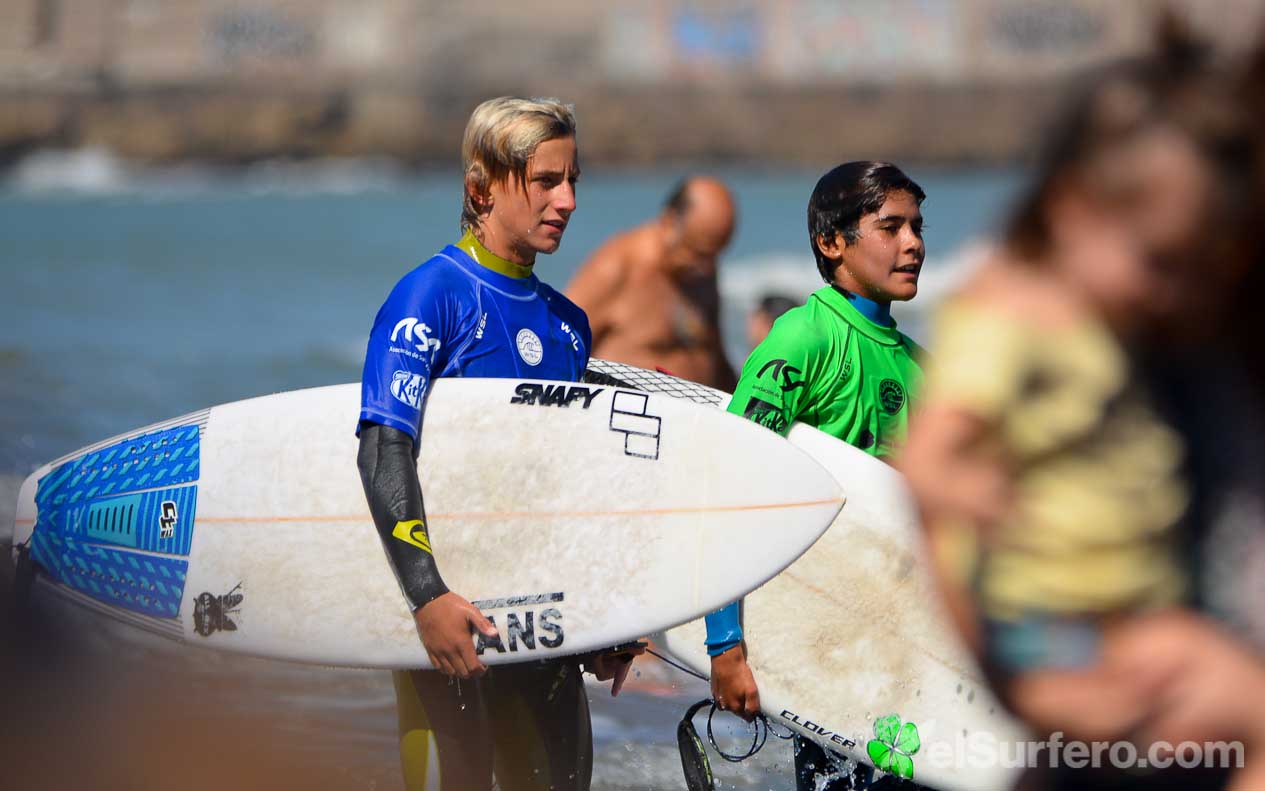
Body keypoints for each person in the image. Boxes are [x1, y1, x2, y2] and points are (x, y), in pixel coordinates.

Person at [898, 22, 1265, 790]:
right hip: (1075, 650)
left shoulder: (1133, 324)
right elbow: (936, 463)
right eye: (1164, 262)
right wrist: (1020, 676)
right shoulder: (1040, 323)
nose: (1175, 289)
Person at [356, 96, 638, 791]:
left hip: (545, 628)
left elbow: (567, 483)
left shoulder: (569, 325)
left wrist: (603, 618)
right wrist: (427, 598)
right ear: (483, 186)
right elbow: (383, 449)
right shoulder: (432, 296)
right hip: (451, 622)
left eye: (573, 179)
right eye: (546, 180)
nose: (567, 199)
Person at [705, 161, 927, 789]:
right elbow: (731, 488)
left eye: (917, 226)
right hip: (827, 639)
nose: (912, 243)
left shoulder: (923, 367)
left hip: (905, 645)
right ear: (833, 243)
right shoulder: (803, 338)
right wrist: (726, 646)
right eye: (891, 227)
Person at [565, 176, 738, 389]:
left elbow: (717, 358)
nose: (707, 267)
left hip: (696, 418)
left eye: (715, 254)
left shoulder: (703, 271)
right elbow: (561, 348)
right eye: (697, 253)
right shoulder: (619, 266)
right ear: (669, 221)